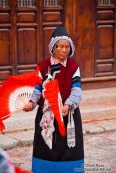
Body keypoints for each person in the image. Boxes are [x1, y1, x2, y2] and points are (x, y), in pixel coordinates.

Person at [24, 26, 84, 173]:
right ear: (53, 47)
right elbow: (38, 88)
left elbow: (77, 88)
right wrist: (31, 103)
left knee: (70, 149)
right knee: (45, 147)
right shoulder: (43, 66)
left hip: (67, 114)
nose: (65, 50)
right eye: (61, 46)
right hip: (47, 114)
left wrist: (69, 104)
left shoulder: (73, 67)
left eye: (67, 47)